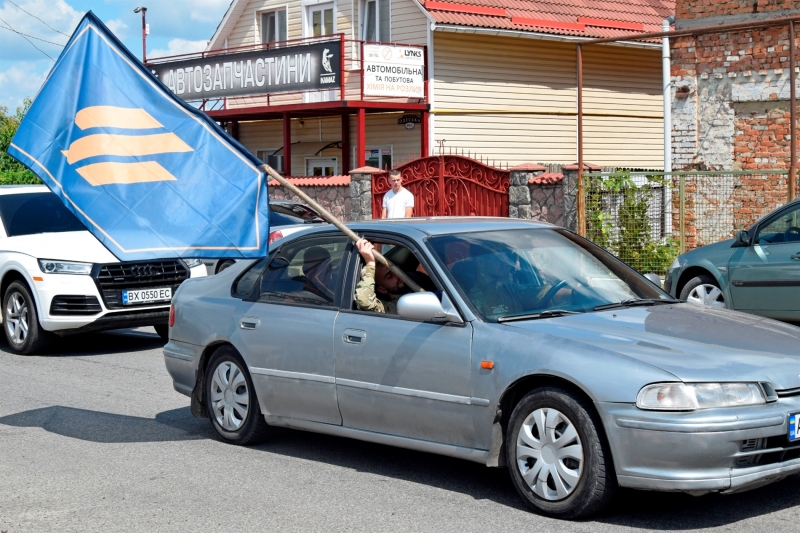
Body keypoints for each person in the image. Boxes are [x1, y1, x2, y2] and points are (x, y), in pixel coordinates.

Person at [354, 238, 409, 313]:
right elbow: (365, 301)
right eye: (389, 276)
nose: (397, 275)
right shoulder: (394, 307)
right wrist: (370, 263)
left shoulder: (420, 279)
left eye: (396, 270)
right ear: (382, 289)